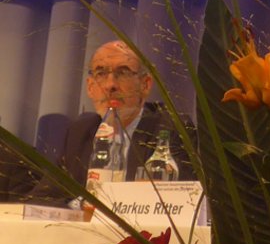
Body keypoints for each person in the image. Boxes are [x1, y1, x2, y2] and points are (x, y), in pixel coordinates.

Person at [31, 40, 194, 201]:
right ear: (90, 87)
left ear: (145, 85)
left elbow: (179, 202)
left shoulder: (171, 128)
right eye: (101, 73)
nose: (110, 85)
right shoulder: (80, 132)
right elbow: (43, 199)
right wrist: (81, 207)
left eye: (123, 73)